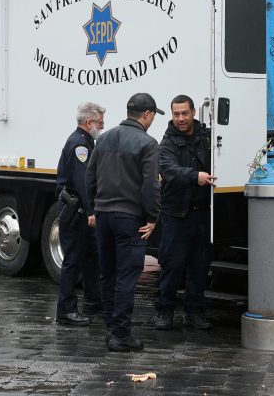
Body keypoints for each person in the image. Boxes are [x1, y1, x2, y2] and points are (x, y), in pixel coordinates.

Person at [87, 93, 163, 353]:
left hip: (104, 215)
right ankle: (121, 334)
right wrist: (153, 218)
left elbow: (90, 176)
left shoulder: (104, 138)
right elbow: (150, 186)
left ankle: (112, 330)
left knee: (107, 274)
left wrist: (94, 207)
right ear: (148, 114)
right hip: (129, 218)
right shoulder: (148, 143)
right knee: (127, 277)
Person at [154, 94, 217, 331]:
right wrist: (195, 176)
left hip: (202, 213)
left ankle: (195, 312)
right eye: (176, 114)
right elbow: (169, 170)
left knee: (201, 266)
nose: (180, 118)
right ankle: (165, 311)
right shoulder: (167, 143)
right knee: (172, 264)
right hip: (176, 214)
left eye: (185, 113)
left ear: (193, 113)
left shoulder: (207, 137)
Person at [54, 102, 105, 326]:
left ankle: (93, 301)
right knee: (73, 261)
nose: (102, 127)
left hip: (80, 212)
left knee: (90, 257)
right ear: (89, 122)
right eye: (100, 123)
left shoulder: (85, 141)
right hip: (76, 213)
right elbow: (84, 182)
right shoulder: (80, 145)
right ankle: (66, 311)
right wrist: (92, 211)